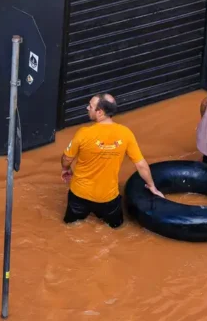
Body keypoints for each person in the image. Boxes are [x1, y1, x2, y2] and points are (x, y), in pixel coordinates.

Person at [60, 94, 164, 228]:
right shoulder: (125, 133)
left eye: (90, 106)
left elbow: (67, 158)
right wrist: (152, 186)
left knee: (69, 227)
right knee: (116, 228)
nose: (87, 108)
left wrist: (65, 169)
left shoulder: (83, 133)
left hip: (79, 195)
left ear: (100, 112)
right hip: (108, 199)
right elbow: (140, 164)